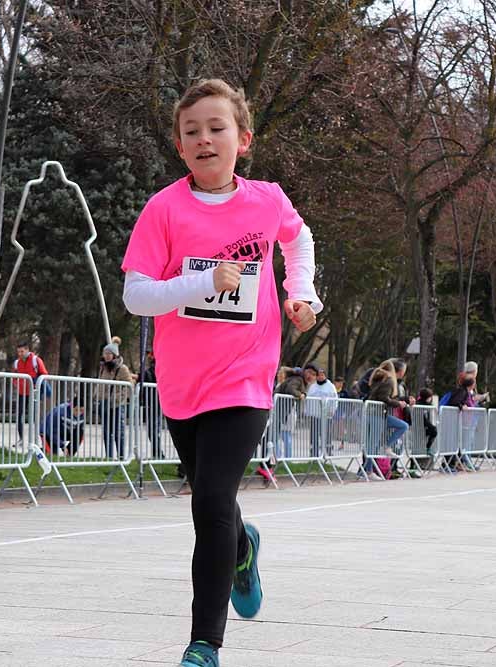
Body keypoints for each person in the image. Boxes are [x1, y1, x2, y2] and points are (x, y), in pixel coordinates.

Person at [121, 79, 321, 667]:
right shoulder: (163, 210)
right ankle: (243, 546)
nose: (204, 139)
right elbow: (137, 296)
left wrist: (301, 294)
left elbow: (299, 239)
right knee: (216, 503)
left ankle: (203, 644)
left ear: (244, 139)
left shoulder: (267, 201)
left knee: (208, 500)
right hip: (183, 383)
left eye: (216, 128)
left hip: (247, 374)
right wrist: (201, 283)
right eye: (191, 132)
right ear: (179, 148)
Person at [367, 361, 409, 479]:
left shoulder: (380, 378)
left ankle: (386, 446)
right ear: (398, 371)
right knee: (372, 445)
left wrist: (401, 401)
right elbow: (384, 398)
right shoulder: (389, 380)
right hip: (376, 413)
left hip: (379, 413)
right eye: (403, 371)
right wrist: (398, 403)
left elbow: (385, 397)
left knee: (402, 426)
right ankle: (369, 471)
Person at [97, 340, 133, 459]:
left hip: (117, 405)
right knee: (107, 432)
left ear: (114, 355)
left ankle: (121, 456)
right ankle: (109, 457)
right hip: (105, 403)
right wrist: (96, 396)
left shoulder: (122, 369)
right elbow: (100, 384)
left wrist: (118, 397)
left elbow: (129, 386)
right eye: (105, 353)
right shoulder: (103, 368)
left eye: (109, 353)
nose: (106, 356)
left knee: (118, 431)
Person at [11, 340, 47, 447]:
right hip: (22, 393)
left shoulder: (36, 360)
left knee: (36, 416)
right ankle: (21, 439)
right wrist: (16, 384)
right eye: (18, 352)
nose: (20, 354)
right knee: (19, 416)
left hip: (34, 393)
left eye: (22, 351)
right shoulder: (17, 362)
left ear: (27, 350)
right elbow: (14, 375)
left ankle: (39, 440)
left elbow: (44, 374)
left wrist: (37, 386)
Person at [303, 364, 337, 458]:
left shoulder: (330, 386)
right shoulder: (312, 386)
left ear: (325, 376)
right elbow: (308, 400)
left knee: (326, 436)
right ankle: (314, 454)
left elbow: (334, 399)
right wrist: (307, 411)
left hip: (326, 416)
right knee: (314, 436)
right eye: (318, 375)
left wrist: (332, 410)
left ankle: (327, 454)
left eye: (322, 375)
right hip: (315, 415)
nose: (320, 377)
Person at [139, 349, 163, 459]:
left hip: (154, 402)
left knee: (153, 429)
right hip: (155, 402)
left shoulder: (154, 369)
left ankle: (158, 452)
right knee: (153, 429)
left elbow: (148, 378)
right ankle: (156, 452)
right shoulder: (155, 368)